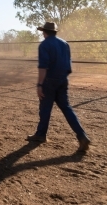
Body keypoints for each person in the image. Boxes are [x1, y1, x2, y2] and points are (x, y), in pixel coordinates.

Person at [26, 22, 91, 152]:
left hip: (49, 81)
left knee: (45, 108)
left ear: (44, 32)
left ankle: (41, 135)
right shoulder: (64, 44)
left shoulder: (44, 45)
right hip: (63, 80)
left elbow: (43, 66)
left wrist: (39, 84)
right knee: (67, 108)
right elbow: (68, 65)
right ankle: (82, 136)